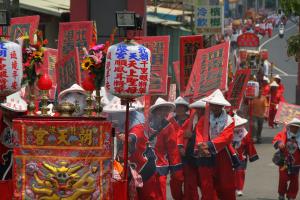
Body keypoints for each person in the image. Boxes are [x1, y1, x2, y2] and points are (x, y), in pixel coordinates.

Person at [196, 89, 236, 200]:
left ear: (222, 106)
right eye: (213, 105)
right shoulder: (204, 119)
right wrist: (200, 145)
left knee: (225, 183)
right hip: (206, 153)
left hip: (223, 153)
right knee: (207, 183)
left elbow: (226, 137)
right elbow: (199, 132)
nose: (215, 107)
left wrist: (208, 145)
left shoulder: (229, 120)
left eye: (218, 105)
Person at [148, 98, 183, 200]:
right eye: (160, 109)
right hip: (144, 164)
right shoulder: (145, 124)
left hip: (160, 164)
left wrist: (176, 170)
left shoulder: (169, 127)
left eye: (165, 110)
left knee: (160, 194)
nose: (162, 112)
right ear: (155, 111)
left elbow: (172, 150)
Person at [0, 91, 27, 200]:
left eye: (15, 111)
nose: (11, 114)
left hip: (21, 158)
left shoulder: (24, 119)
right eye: (9, 111)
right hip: (3, 157)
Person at [178, 99, 206, 200]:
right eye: (197, 108)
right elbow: (181, 132)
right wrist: (180, 146)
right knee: (190, 182)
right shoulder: (191, 119)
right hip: (189, 155)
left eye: (202, 109)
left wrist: (192, 135)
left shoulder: (210, 120)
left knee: (205, 182)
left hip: (204, 156)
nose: (199, 111)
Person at [273, 118, 300, 200]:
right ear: (289, 126)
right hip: (284, 162)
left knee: (294, 179)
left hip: (296, 163)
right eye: (293, 126)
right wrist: (280, 143)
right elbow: (276, 139)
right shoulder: (284, 134)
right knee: (283, 179)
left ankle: (291, 195)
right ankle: (281, 193)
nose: (294, 128)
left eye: (297, 127)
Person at [169, 96, 190, 200]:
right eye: (177, 107)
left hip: (189, 155)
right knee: (175, 180)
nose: (179, 109)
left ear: (186, 108)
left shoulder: (192, 120)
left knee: (189, 181)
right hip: (174, 155)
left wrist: (191, 135)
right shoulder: (170, 121)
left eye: (182, 107)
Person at [233, 114, 259, 196]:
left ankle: (239, 188)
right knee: (231, 172)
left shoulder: (245, 134)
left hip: (241, 157)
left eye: (240, 125)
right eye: (236, 125)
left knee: (240, 172)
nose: (238, 127)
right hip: (229, 156)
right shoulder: (228, 133)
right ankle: (232, 187)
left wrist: (252, 155)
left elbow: (249, 145)